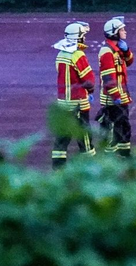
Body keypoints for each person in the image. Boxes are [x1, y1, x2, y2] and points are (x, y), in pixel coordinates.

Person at [52, 21, 96, 167]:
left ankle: (58, 167)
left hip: (63, 102)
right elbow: (88, 80)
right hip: (78, 102)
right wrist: (90, 91)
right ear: (78, 38)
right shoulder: (78, 55)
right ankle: (90, 166)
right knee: (84, 135)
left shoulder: (60, 54)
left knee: (62, 136)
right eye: (83, 36)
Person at [98, 16, 135, 157]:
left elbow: (129, 61)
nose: (125, 32)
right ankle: (110, 156)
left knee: (124, 125)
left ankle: (124, 153)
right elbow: (108, 77)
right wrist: (115, 96)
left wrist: (126, 51)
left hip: (121, 95)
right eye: (122, 30)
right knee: (112, 127)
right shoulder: (107, 51)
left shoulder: (117, 49)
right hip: (113, 98)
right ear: (114, 32)